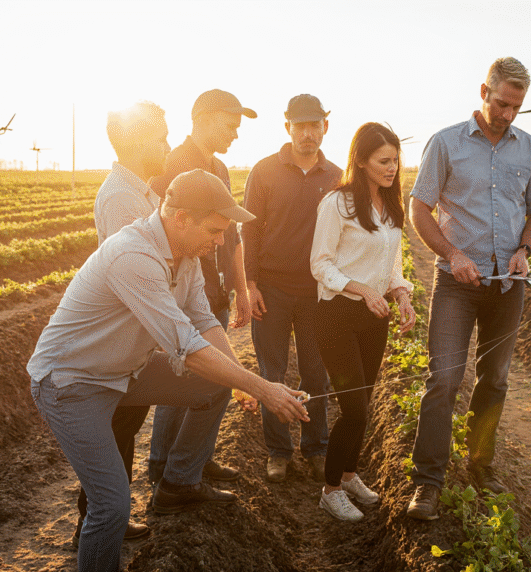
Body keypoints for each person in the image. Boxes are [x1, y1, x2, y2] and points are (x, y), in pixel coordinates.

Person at [29, 168, 310, 572]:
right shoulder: (133, 256)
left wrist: (246, 385)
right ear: (181, 219)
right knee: (112, 505)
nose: (220, 241)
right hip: (72, 382)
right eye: (214, 230)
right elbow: (187, 347)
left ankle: (178, 483)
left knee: (217, 386)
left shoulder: (186, 255)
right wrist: (264, 388)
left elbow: (204, 322)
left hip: (126, 369)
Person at [406, 56, 531, 521]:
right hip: (455, 283)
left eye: (517, 106)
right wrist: (452, 255)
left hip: (508, 286)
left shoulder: (529, 149)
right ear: (483, 90)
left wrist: (525, 250)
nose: (509, 114)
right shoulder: (446, 143)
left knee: (496, 380)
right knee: (444, 379)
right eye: (503, 102)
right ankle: (427, 482)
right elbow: (420, 210)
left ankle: (480, 465)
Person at [147, 89, 256, 491]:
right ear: (206, 118)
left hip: (213, 290)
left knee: (207, 386)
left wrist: (241, 288)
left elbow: (231, 234)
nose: (235, 135)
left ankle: (193, 461)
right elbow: (164, 229)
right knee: (183, 381)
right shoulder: (175, 164)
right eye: (231, 125)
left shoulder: (220, 169)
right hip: (186, 291)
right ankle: (164, 466)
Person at [69, 101, 166, 549]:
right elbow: (139, 271)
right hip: (123, 329)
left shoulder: (141, 190)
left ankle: (109, 515)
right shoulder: (122, 198)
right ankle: (96, 522)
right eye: (162, 137)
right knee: (117, 429)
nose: (167, 145)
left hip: (133, 330)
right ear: (142, 141)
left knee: (124, 428)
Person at [310, 122, 416, 521]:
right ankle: (330, 489)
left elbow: (392, 261)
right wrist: (363, 290)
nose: (392, 168)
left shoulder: (390, 206)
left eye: (395, 160)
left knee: (364, 403)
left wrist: (401, 294)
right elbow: (319, 263)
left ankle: (350, 475)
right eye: (383, 161)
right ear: (362, 161)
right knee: (353, 408)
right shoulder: (337, 204)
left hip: (374, 317)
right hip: (337, 314)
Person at [242, 94, 340, 482]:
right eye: (300, 126)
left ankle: (316, 447)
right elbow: (248, 231)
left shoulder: (336, 175)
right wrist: (249, 285)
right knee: (272, 373)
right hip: (272, 287)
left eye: (314, 125)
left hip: (318, 292)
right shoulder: (264, 172)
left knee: (317, 373)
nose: (307, 133)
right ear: (287, 128)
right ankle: (279, 452)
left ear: (324, 128)